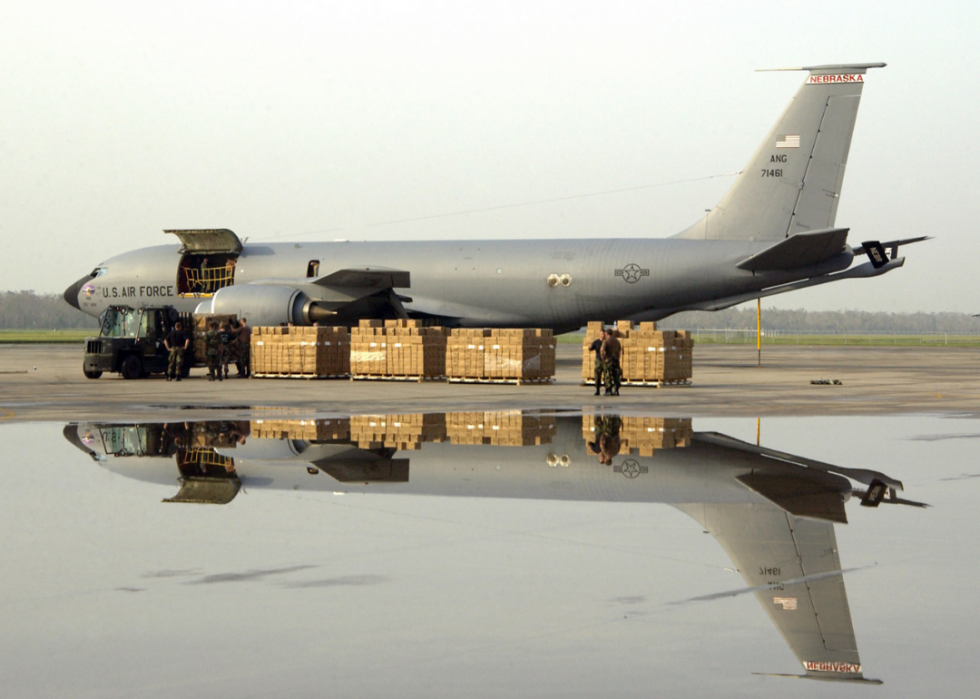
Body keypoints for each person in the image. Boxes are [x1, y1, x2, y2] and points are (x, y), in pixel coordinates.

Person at [600, 329, 622, 396]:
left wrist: (603, 357)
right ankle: (616, 390)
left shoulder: (606, 341)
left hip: (608, 360)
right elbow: (619, 351)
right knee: (616, 375)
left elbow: (602, 349)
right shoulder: (617, 341)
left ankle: (608, 390)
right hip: (615, 360)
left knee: (607, 375)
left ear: (607, 334)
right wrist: (618, 358)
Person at [589, 329, 607, 396]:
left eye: (603, 334)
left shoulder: (606, 342)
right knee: (597, 376)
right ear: (599, 334)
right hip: (598, 361)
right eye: (601, 334)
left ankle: (607, 390)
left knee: (606, 376)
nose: (602, 335)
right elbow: (591, 348)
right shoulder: (596, 342)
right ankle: (597, 390)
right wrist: (589, 347)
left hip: (605, 361)